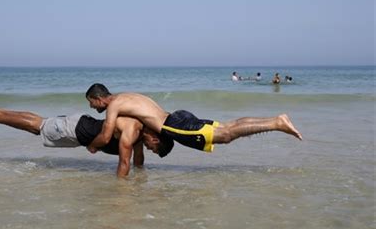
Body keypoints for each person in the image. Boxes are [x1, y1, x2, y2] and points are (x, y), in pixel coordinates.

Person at [85, 83, 303, 154]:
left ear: (98, 98)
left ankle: (276, 123)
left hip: (174, 126)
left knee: (226, 135)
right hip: (178, 116)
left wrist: (91, 148)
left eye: (91, 102)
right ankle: (276, 121)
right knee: (228, 128)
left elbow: (105, 136)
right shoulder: (127, 96)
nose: (91, 107)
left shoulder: (114, 105)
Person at [0, 105, 173, 178]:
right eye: (154, 148)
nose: (149, 149)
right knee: (39, 126)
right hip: (79, 129)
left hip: (81, 127)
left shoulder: (139, 133)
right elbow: (124, 163)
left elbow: (137, 161)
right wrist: (120, 194)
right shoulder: (133, 131)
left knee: (39, 126)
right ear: (155, 138)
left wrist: (141, 180)